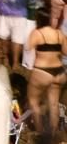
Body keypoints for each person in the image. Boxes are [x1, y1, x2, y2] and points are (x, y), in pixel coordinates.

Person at [24, 8, 65, 143]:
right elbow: (65, 52)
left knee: (33, 101)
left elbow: (28, 47)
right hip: (59, 72)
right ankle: (53, 135)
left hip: (42, 71)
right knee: (54, 104)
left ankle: (40, 133)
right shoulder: (59, 34)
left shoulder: (37, 33)